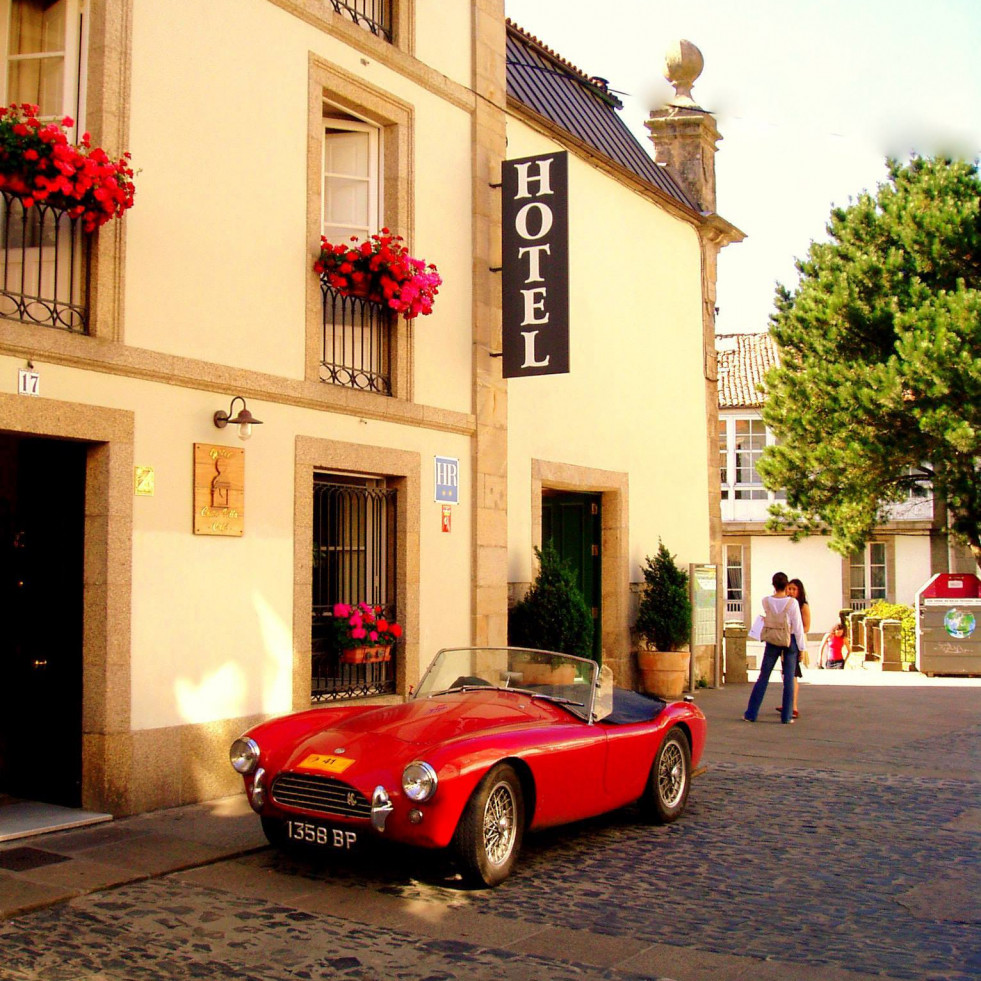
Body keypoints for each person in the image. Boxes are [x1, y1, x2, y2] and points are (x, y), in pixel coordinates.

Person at [743, 571, 807, 724]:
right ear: (786, 585)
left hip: (772, 639)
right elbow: (798, 627)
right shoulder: (792, 603)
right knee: (789, 679)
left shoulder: (766, 601)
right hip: (789, 639)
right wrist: (802, 648)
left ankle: (751, 713)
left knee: (763, 676)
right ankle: (786, 716)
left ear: (773, 585)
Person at [779, 577, 810, 719]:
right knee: (786, 673)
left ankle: (793, 706)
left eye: (794, 589)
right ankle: (788, 703)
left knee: (793, 674)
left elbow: (806, 627)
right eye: (789, 588)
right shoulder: (786, 603)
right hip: (784, 639)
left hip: (795, 641)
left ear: (799, 591)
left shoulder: (803, 606)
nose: (790, 591)